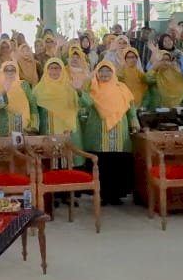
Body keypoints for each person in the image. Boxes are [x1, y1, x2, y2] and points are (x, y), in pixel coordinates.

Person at [80, 62, 137, 205]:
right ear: (96, 73)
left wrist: (134, 122)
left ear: (113, 72)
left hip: (119, 131)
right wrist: (80, 92)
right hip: (99, 131)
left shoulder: (122, 87)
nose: (104, 74)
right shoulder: (93, 87)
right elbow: (87, 104)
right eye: (101, 71)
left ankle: (116, 195)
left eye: (108, 71)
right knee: (101, 164)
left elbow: (131, 108)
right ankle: (102, 195)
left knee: (117, 163)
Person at [34, 58, 79, 142]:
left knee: (64, 149)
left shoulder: (70, 88)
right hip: (46, 129)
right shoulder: (38, 89)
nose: (54, 71)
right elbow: (33, 109)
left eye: (57, 68)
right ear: (46, 70)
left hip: (65, 129)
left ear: (62, 70)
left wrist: (79, 91)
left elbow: (79, 105)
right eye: (51, 68)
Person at [0, 61, 37, 135]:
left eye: (13, 70)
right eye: (7, 70)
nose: (10, 72)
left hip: (22, 124)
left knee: (20, 141)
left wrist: (34, 125)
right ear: (2, 71)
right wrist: (4, 92)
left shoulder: (23, 84)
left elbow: (32, 103)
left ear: (16, 71)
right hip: (3, 126)